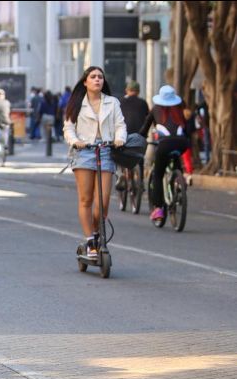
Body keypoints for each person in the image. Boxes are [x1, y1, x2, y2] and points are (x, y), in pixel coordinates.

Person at [63, 66, 126, 259]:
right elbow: (68, 128)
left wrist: (120, 138)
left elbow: (120, 125)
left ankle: (98, 233)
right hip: (84, 152)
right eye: (93, 77)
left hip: (106, 150)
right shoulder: (76, 104)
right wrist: (76, 142)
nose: (97, 79)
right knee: (86, 199)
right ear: (85, 82)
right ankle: (90, 240)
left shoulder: (112, 102)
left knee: (103, 202)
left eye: (100, 77)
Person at [139, 85, 190, 223]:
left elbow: (144, 129)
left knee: (157, 174)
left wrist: (140, 137)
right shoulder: (179, 109)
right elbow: (187, 130)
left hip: (164, 145)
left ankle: (158, 209)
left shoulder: (155, 109)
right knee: (175, 159)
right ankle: (180, 180)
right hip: (182, 144)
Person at [118, 80, 150, 190]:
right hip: (139, 135)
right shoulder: (143, 103)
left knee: (119, 153)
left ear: (127, 90)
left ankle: (121, 175)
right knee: (139, 155)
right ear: (138, 91)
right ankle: (140, 181)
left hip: (124, 134)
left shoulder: (120, 102)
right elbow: (147, 118)